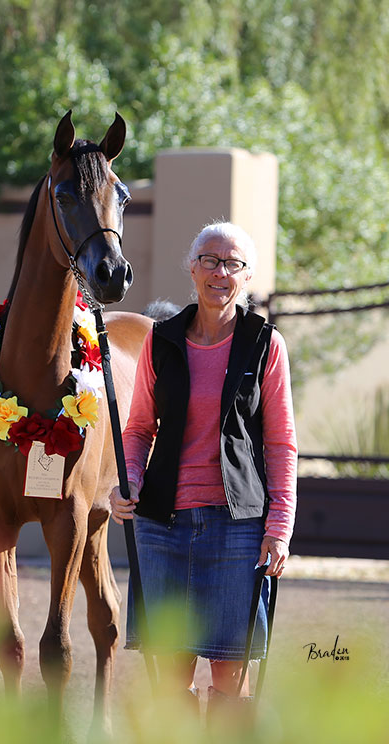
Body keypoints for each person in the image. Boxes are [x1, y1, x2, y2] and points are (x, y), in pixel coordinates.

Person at [109, 221, 296, 713]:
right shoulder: (161, 341)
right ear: (192, 268)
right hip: (162, 526)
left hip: (238, 529)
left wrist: (279, 527)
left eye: (232, 263)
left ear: (247, 275)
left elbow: (281, 443)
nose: (220, 272)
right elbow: (138, 428)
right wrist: (128, 480)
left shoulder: (264, 343)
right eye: (210, 260)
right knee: (170, 673)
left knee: (230, 672)